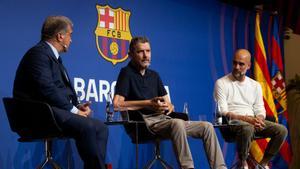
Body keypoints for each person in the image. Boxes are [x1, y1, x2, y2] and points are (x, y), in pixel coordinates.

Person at [113, 36, 227, 169]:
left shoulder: (154, 75)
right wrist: (148, 103)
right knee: (177, 123)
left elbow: (169, 104)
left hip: (165, 119)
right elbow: (117, 104)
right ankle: (188, 167)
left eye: (148, 51)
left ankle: (220, 167)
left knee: (207, 126)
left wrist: (167, 106)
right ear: (130, 55)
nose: (145, 55)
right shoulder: (126, 73)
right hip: (145, 123)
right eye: (140, 52)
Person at [13, 16, 108, 169]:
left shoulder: (54, 58)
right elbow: (47, 89)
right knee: (87, 126)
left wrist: (78, 106)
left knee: (101, 127)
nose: (71, 39)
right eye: (70, 35)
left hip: (54, 110)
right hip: (37, 114)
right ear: (60, 36)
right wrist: (74, 110)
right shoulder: (38, 54)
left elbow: (63, 90)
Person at [214, 49, 288, 169]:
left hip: (252, 121)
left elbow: (260, 109)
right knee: (247, 127)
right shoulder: (221, 83)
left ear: (248, 66)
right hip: (232, 122)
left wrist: (259, 119)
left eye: (241, 64)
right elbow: (223, 111)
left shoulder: (255, 85)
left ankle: (263, 163)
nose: (237, 67)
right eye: (234, 63)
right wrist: (247, 119)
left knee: (282, 130)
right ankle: (243, 162)